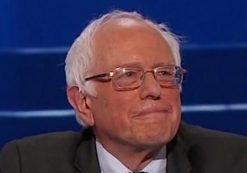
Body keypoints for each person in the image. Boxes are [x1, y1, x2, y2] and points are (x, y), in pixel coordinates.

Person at [1, 10, 247, 173]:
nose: (153, 89)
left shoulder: (233, 161)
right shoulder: (28, 164)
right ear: (83, 103)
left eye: (164, 73)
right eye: (128, 75)